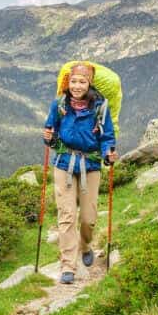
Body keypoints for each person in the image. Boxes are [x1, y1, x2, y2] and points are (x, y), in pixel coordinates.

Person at [42, 62, 117, 282]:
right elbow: (50, 130)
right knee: (66, 216)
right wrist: (48, 137)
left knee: (88, 218)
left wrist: (108, 153)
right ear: (68, 81)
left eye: (82, 81)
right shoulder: (60, 104)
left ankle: (85, 245)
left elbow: (107, 137)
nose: (77, 85)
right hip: (64, 163)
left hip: (91, 165)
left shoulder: (100, 107)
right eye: (73, 81)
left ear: (89, 83)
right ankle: (68, 266)